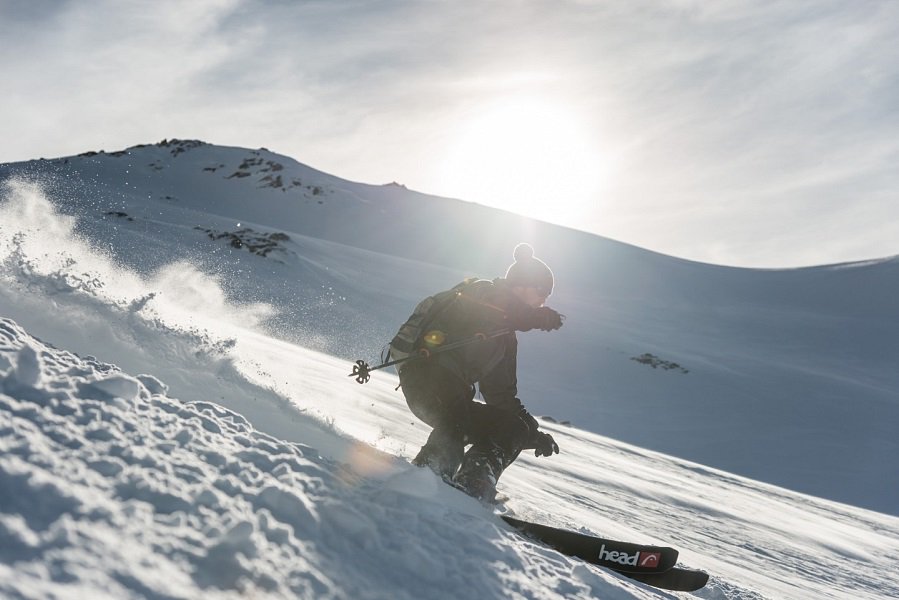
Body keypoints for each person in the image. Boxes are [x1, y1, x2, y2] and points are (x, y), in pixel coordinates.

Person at [389, 243, 564, 502]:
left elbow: (501, 396)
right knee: (456, 416)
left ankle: (474, 481)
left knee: (510, 425)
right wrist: (532, 317)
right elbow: (494, 310)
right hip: (425, 377)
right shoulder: (483, 292)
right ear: (523, 285)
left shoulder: (506, 337)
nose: (543, 301)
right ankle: (428, 475)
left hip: (451, 395)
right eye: (542, 292)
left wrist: (530, 432)